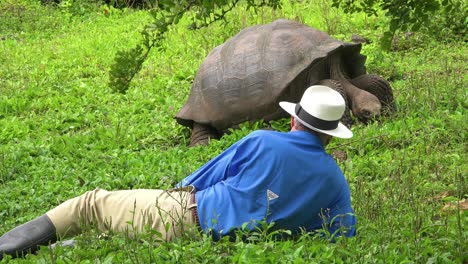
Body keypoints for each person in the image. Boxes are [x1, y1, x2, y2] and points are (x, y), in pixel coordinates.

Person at [0, 85, 356, 259]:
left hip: (189, 218)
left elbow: (202, 179)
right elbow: (340, 235)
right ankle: (64, 248)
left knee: (91, 205)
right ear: (329, 132)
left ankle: (4, 249)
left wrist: (173, 194)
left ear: (294, 118)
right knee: (119, 239)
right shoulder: (335, 182)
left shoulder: (264, 141)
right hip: (228, 244)